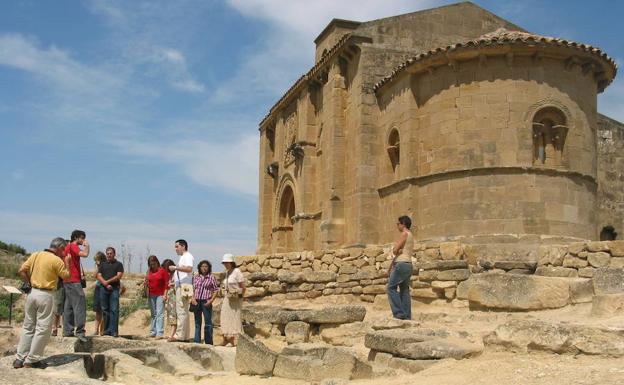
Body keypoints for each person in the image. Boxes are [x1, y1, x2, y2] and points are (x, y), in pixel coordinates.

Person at [14, 237, 71, 369]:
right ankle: (32, 359)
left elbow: (21, 271)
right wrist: (67, 262)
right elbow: (66, 276)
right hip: (46, 294)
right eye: (63, 250)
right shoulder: (57, 260)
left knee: (28, 326)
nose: (64, 253)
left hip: (32, 293)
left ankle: (19, 358)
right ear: (60, 247)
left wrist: (29, 282)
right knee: (43, 328)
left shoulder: (35, 254)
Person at [63, 230, 90, 341]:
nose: (83, 240)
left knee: (68, 306)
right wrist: (87, 246)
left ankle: (67, 331)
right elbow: (85, 254)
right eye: (82, 238)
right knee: (80, 305)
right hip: (74, 280)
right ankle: (80, 332)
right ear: (76, 238)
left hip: (66, 280)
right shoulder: (73, 246)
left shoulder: (67, 247)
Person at [387, 215, 414, 320]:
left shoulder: (404, 234)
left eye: (398, 224)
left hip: (401, 264)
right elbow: (400, 252)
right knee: (404, 290)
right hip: (408, 264)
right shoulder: (411, 235)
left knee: (390, 288)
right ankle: (407, 315)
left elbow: (395, 250)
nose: (397, 226)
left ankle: (399, 313)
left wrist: (396, 248)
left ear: (403, 224)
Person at [167, 239, 194, 342]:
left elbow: (189, 269)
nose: (175, 249)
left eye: (177, 246)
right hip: (183, 285)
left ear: (183, 246)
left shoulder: (187, 256)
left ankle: (179, 335)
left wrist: (175, 268)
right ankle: (185, 335)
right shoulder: (184, 257)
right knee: (184, 311)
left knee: (181, 310)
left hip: (184, 286)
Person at [96, 247, 124, 337]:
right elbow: (98, 275)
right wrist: (105, 284)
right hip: (104, 289)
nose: (109, 255)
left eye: (110, 253)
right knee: (105, 310)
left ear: (114, 254)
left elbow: (118, 276)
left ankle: (114, 331)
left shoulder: (119, 264)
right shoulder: (103, 265)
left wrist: (108, 282)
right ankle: (106, 330)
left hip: (114, 289)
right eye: (107, 253)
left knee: (114, 310)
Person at [220, 253, 245, 347]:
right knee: (224, 317)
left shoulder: (237, 271)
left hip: (236, 299)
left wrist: (240, 297)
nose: (226, 264)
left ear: (232, 263)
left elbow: (243, 286)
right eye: (224, 263)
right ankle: (226, 339)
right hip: (227, 298)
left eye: (227, 262)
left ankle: (237, 340)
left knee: (235, 318)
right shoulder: (227, 273)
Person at [191, 260, 219, 344]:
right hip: (196, 301)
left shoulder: (211, 277)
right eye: (202, 266)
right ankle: (197, 341)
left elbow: (216, 290)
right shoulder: (196, 277)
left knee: (208, 322)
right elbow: (192, 289)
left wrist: (211, 301)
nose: (204, 268)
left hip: (206, 301)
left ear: (209, 268)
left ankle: (208, 342)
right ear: (199, 267)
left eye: (206, 266)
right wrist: (192, 298)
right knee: (197, 322)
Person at [146, 255, 168, 339]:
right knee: (153, 314)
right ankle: (153, 331)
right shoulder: (149, 271)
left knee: (160, 313)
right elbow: (147, 281)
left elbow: (166, 283)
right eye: (151, 264)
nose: (153, 266)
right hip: (151, 294)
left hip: (160, 294)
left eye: (154, 264)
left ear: (157, 262)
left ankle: (160, 332)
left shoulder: (162, 271)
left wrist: (165, 294)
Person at [161, 259, 177, 342]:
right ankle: (172, 333)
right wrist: (165, 295)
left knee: (174, 315)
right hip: (170, 296)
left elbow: (179, 283)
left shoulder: (176, 274)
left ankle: (173, 334)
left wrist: (172, 284)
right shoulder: (169, 275)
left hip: (175, 296)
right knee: (170, 315)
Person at [92, 251, 105, 336]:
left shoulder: (105, 266)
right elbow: (94, 275)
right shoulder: (97, 266)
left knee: (104, 311)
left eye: (97, 260)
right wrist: (97, 266)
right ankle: (96, 330)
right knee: (98, 311)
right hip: (98, 288)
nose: (96, 262)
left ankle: (102, 330)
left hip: (104, 288)